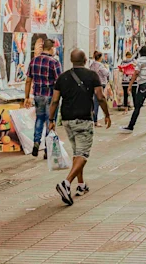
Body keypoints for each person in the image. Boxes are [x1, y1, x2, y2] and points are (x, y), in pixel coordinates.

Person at [51, 49, 110, 205]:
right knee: (83, 154)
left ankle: (81, 184)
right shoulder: (92, 75)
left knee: (77, 152)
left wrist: (51, 119)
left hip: (67, 120)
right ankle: (67, 183)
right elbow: (100, 97)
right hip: (83, 119)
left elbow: (55, 100)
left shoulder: (62, 77)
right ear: (85, 60)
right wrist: (107, 115)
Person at [24, 38, 63, 157]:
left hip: (38, 95)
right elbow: (59, 82)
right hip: (51, 96)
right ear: (51, 48)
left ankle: (36, 143)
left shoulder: (34, 61)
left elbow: (28, 80)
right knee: (50, 121)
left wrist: (26, 97)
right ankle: (47, 149)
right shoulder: (54, 62)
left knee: (39, 119)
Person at [88, 51, 111, 126]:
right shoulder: (100, 65)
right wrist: (107, 68)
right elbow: (106, 73)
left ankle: (92, 119)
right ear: (100, 57)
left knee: (93, 102)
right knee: (97, 102)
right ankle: (95, 121)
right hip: (100, 84)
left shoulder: (92, 65)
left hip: (92, 84)